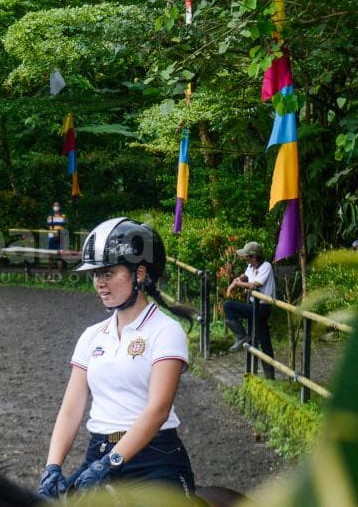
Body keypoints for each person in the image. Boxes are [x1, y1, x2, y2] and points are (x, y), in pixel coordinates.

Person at [38, 218, 196, 500]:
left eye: (108, 273)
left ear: (140, 274)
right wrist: (52, 466)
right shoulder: (91, 336)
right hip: (98, 455)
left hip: (154, 459)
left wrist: (112, 461)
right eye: (96, 275)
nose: (100, 283)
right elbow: (71, 409)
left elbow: (158, 409)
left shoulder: (166, 331)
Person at [223, 241, 276, 379]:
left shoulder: (266, 267)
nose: (244, 258)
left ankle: (241, 336)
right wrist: (237, 280)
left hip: (262, 307)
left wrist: (237, 284)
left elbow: (254, 285)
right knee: (264, 340)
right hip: (254, 305)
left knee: (228, 305)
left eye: (246, 256)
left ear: (253, 257)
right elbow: (245, 276)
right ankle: (269, 376)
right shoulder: (250, 267)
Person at [46, 201, 67, 276]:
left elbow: (64, 226)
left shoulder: (63, 216)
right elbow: (49, 227)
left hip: (60, 238)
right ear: (52, 207)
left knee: (59, 257)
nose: (56, 207)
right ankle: (49, 275)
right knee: (49, 257)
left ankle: (60, 275)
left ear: (60, 207)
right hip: (51, 237)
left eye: (57, 205)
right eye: (54, 205)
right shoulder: (49, 217)